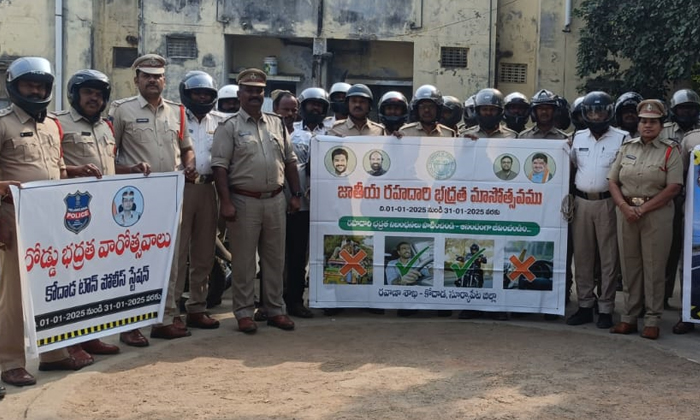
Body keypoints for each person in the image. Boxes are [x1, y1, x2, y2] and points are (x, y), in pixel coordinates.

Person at [0, 57, 91, 388]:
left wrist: (75, 172)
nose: (35, 91)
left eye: (41, 85)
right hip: (14, 219)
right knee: (14, 295)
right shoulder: (4, 124)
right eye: (29, 85)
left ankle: (53, 354)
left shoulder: (53, 125)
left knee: (53, 287)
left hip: (54, 220)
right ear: (14, 87)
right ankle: (10, 362)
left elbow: (57, 168)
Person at [109, 53, 196, 346]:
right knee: (134, 261)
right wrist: (128, 170)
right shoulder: (121, 111)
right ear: (136, 80)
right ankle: (130, 324)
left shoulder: (177, 112)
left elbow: (186, 148)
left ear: (164, 80)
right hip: (134, 202)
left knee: (170, 260)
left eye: (157, 76)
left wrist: (190, 164)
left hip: (170, 197)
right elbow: (109, 156)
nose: (152, 80)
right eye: (146, 76)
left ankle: (165, 318)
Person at [211, 68, 302, 333]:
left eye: (259, 91)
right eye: (249, 90)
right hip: (243, 201)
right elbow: (220, 167)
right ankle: (243, 312)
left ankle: (275, 309)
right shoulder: (229, 127)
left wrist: (295, 195)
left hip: (275, 200)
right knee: (244, 261)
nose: (254, 95)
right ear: (239, 93)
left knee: (275, 259)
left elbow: (290, 161)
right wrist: (225, 202)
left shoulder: (276, 123)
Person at [609, 99, 683, 340]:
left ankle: (652, 319)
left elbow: (673, 187)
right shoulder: (627, 147)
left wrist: (643, 209)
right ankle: (629, 317)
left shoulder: (670, 150)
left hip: (656, 214)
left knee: (654, 266)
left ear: (662, 125)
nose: (647, 126)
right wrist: (623, 206)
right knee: (630, 267)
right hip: (627, 212)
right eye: (643, 121)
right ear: (638, 123)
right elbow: (613, 181)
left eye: (653, 122)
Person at [567, 90, 629, 329]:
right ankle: (584, 305)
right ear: (585, 114)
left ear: (609, 112)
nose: (596, 115)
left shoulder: (622, 138)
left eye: (600, 110)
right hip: (582, 203)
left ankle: (605, 307)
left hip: (609, 203)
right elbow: (570, 168)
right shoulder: (578, 137)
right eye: (591, 111)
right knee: (582, 257)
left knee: (609, 258)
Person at [174, 70, 225, 330]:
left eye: (207, 93)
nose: (202, 97)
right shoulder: (175, 117)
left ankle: (197, 307)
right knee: (178, 251)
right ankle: (172, 310)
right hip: (180, 188)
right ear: (187, 93)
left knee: (204, 252)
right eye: (197, 93)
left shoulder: (221, 121)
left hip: (209, 188)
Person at [284, 87, 330, 319]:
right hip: (297, 202)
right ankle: (292, 300)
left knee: (327, 252)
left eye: (320, 105)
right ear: (302, 107)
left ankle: (328, 299)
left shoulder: (334, 132)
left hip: (329, 205)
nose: (316, 108)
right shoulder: (290, 132)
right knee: (295, 254)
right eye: (312, 104)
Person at [662, 89, 700, 310]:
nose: (687, 112)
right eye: (683, 108)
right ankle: (662, 297)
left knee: (692, 254)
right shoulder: (663, 131)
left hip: (694, 202)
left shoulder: (698, 134)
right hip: (668, 198)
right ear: (674, 111)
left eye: (691, 108)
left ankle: (689, 304)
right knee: (667, 250)